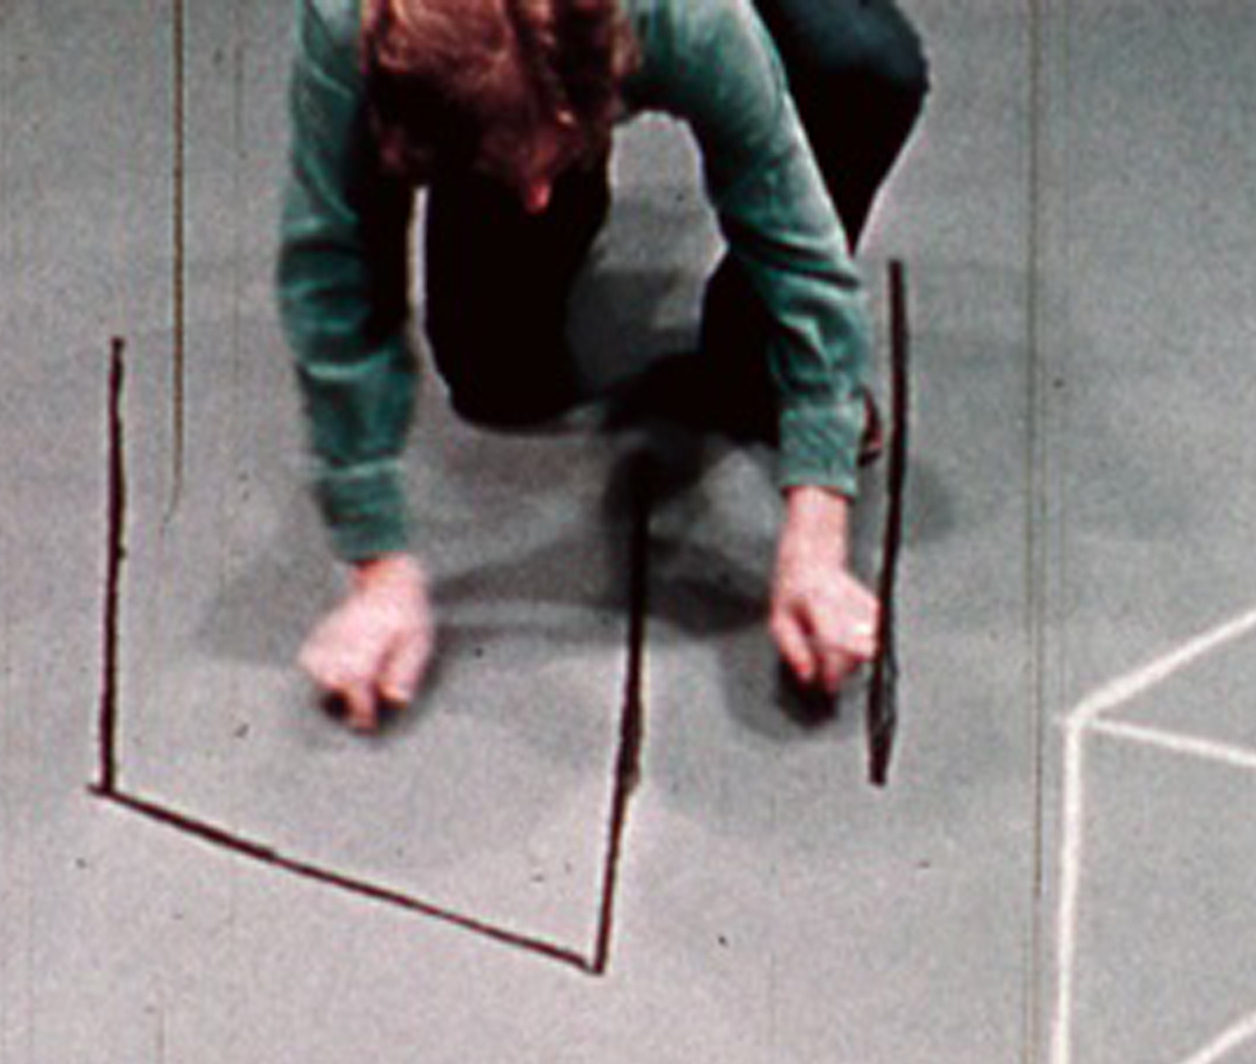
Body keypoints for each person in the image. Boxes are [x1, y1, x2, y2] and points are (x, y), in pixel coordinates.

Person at [277, 0, 927, 731]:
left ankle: (751, 357)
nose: (535, 193)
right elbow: (335, 272)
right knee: (497, 374)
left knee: (865, 63)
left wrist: (816, 526)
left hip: (649, 31)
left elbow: (794, 233)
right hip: (519, 66)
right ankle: (546, 162)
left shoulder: (688, 16)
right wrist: (378, 566)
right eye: (511, 163)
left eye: (554, 149)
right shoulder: (347, 24)